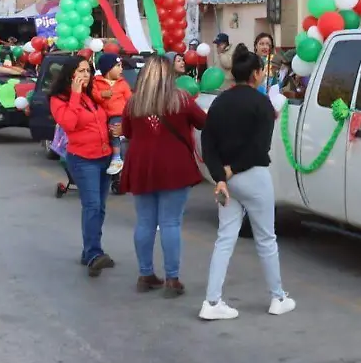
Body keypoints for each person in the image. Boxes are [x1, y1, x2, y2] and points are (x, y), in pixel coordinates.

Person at [199, 44, 295, 320]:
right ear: (255, 74)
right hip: (253, 177)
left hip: (227, 184)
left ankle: (212, 301)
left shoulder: (219, 102)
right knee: (266, 238)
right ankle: (277, 297)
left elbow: (208, 143)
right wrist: (231, 171)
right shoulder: (261, 103)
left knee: (224, 239)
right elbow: (258, 148)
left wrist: (220, 175)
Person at [119, 54, 207, 297]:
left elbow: (126, 132)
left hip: (142, 165)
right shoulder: (181, 100)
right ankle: (172, 278)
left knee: (145, 221)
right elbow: (203, 122)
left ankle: (145, 274)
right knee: (170, 222)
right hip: (174, 165)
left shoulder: (134, 103)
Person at [50, 56, 116, 277]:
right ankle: (94, 254)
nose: (85, 75)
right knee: (92, 206)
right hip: (83, 158)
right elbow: (68, 123)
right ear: (70, 75)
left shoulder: (92, 97)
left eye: (88, 71)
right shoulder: (59, 99)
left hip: (105, 156)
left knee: (100, 207)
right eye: (80, 71)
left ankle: (90, 251)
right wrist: (76, 95)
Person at [91, 53, 132, 175]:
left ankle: (117, 158)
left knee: (115, 133)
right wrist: (102, 95)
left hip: (118, 115)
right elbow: (93, 95)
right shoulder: (97, 82)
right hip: (104, 117)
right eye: (118, 66)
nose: (121, 69)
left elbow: (130, 100)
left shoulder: (123, 84)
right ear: (108, 68)